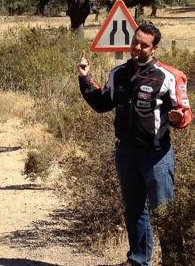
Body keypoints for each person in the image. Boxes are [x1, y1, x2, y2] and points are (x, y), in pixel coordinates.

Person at [77, 22, 192, 266]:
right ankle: (139, 260)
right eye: (135, 42)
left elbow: (185, 113)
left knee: (165, 213)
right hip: (126, 154)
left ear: (155, 48)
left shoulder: (169, 76)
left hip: (156, 155)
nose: (137, 47)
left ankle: (174, 261)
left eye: (144, 44)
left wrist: (179, 119)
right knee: (134, 211)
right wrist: (85, 79)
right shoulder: (118, 73)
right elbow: (101, 103)